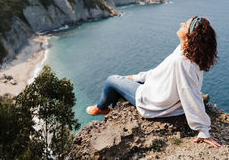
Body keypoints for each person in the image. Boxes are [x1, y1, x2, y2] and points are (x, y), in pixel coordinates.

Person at [86, 16, 221, 148]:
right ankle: (109, 110)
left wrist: (203, 130)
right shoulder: (186, 52)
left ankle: (101, 108)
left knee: (111, 80)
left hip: (152, 101)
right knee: (123, 82)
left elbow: (190, 94)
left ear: (191, 36)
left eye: (185, 25)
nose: (181, 24)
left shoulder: (182, 62)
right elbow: (159, 72)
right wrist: (136, 77)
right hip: (161, 95)